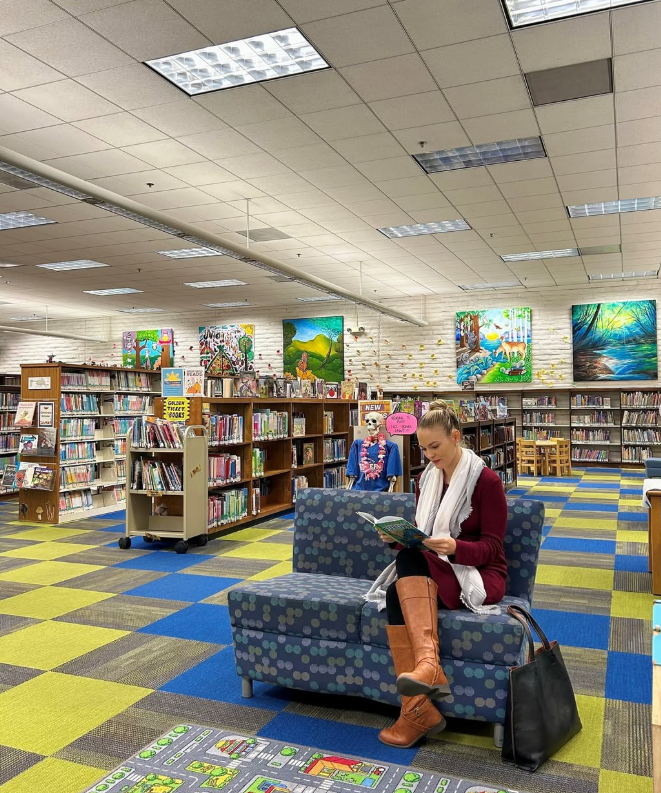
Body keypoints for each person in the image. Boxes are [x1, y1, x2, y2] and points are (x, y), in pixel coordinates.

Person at [364, 400, 508, 749]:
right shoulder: (425, 479)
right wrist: (397, 537)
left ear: (456, 437)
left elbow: (492, 548)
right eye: (423, 448)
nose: (429, 455)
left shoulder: (486, 481)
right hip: (434, 565)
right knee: (408, 561)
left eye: (435, 446)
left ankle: (416, 710)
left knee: (407, 570)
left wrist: (455, 548)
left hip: (477, 573)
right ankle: (425, 674)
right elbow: (421, 535)